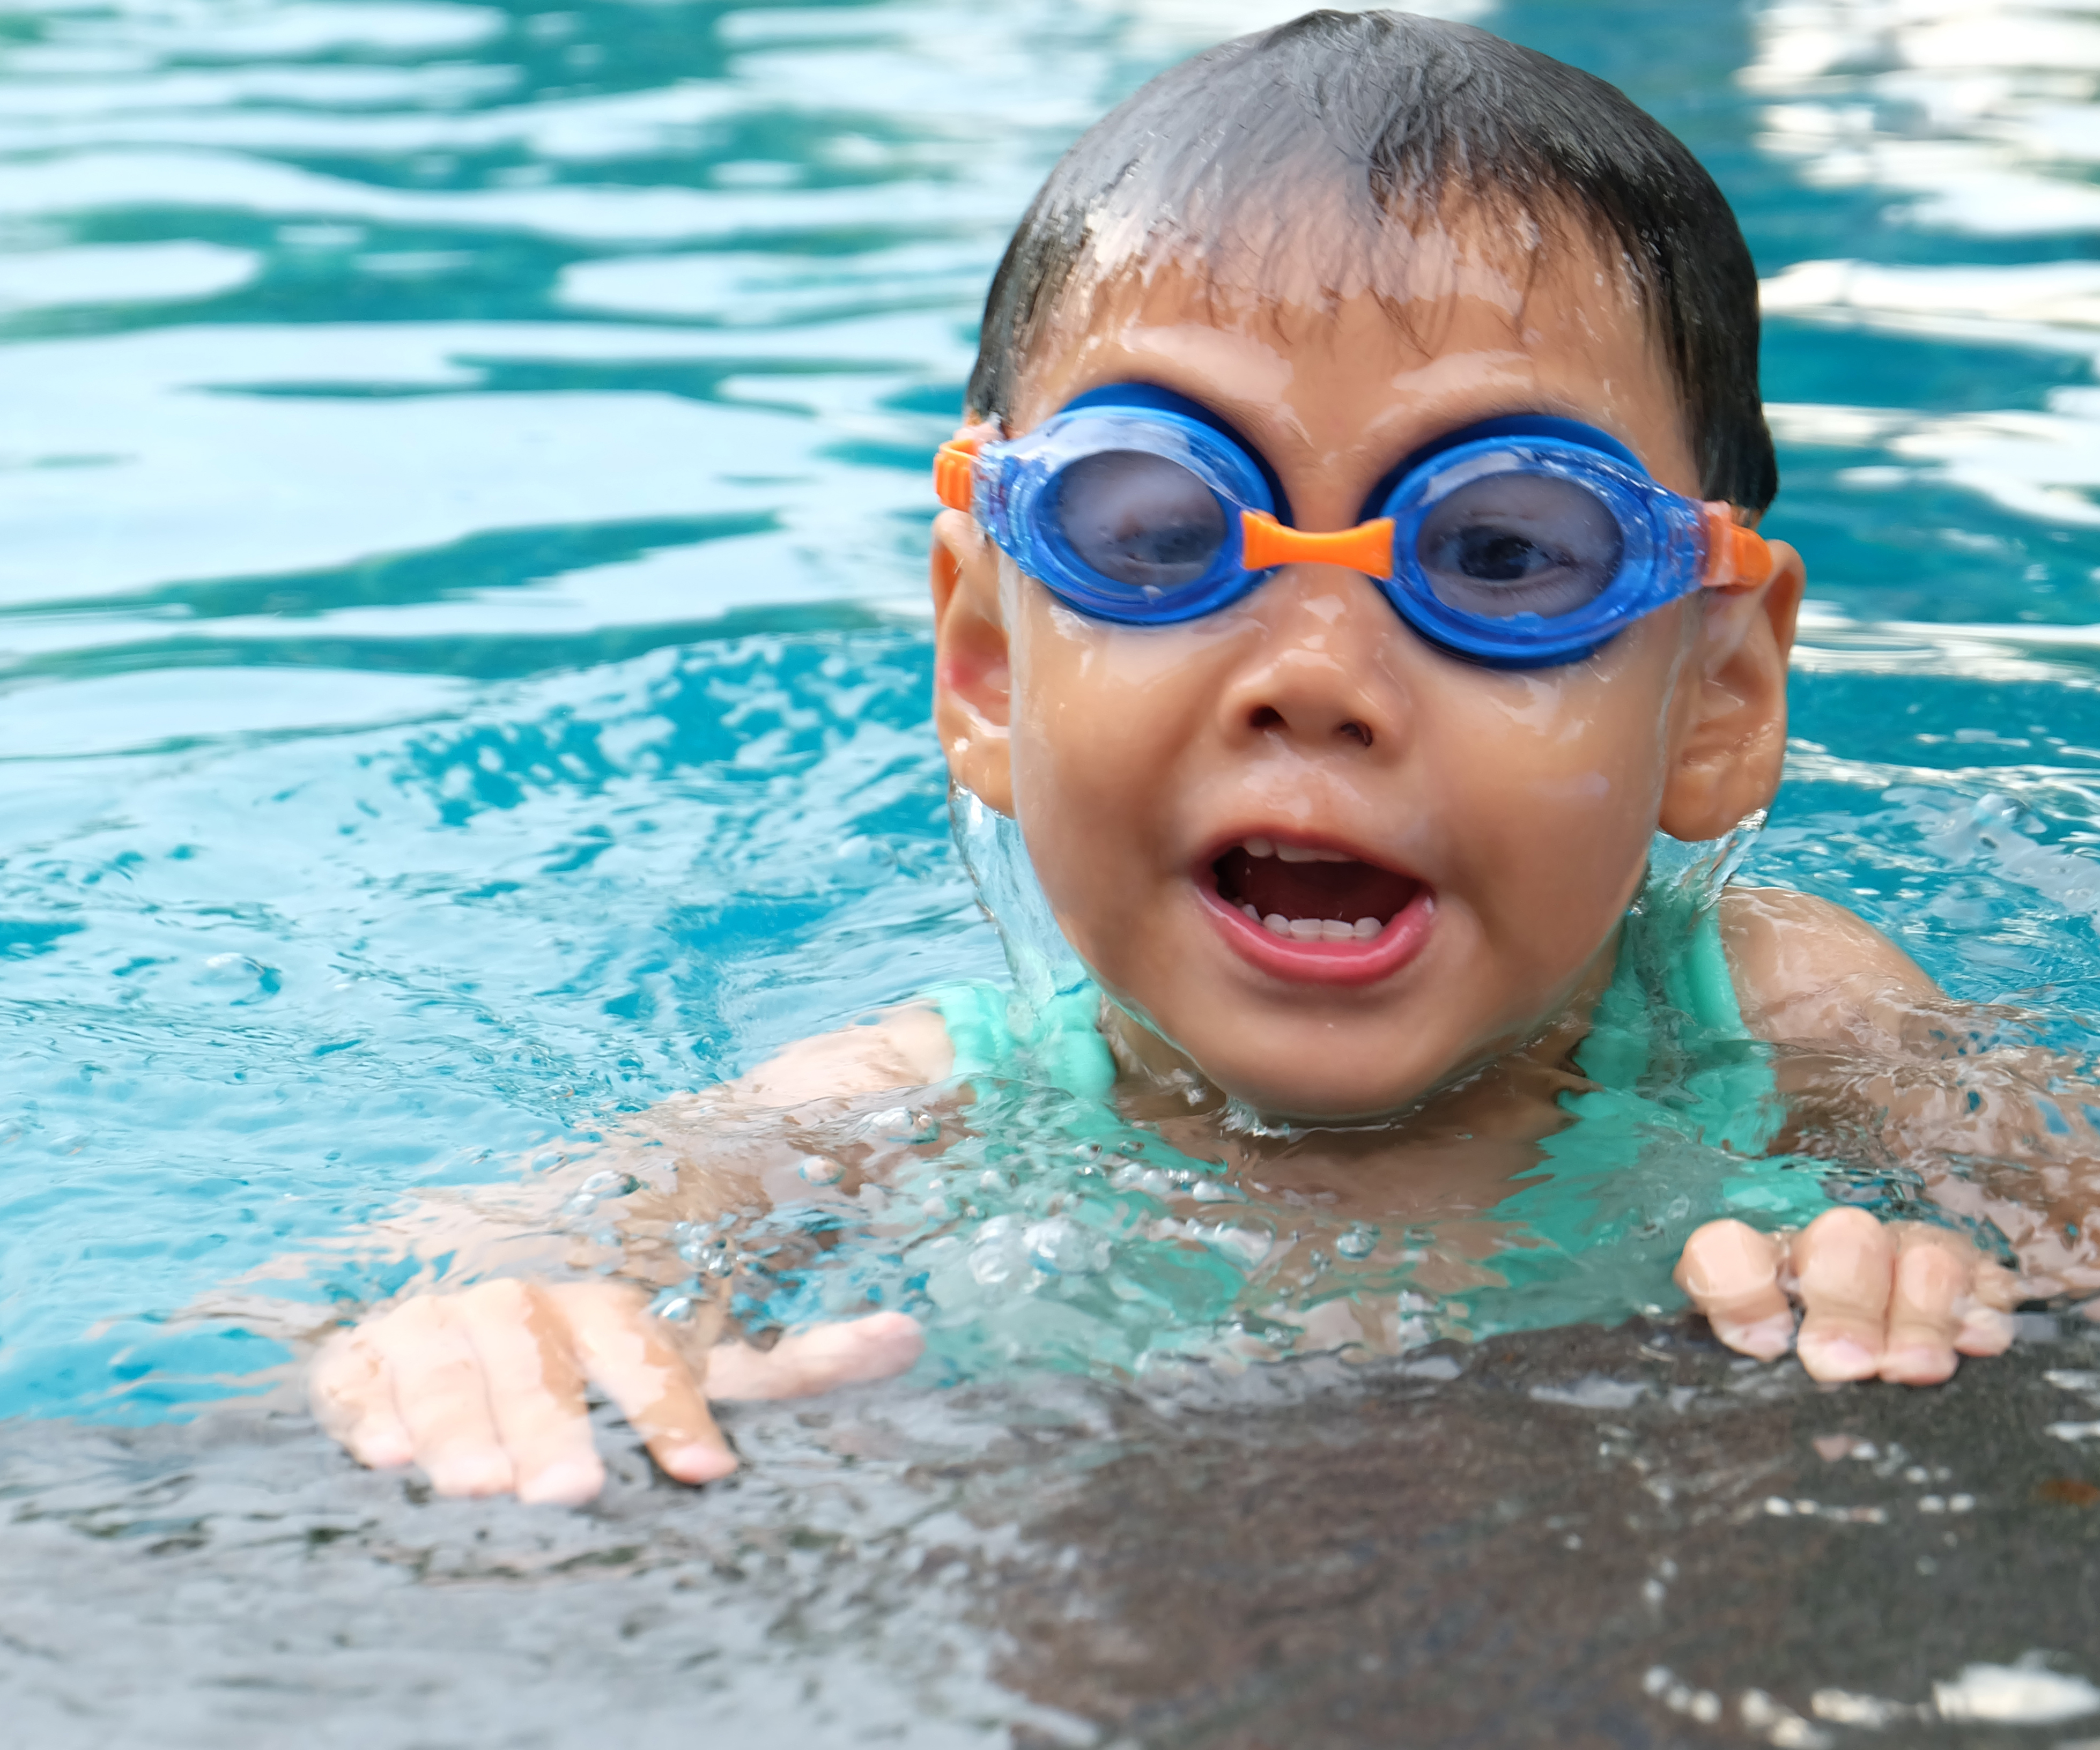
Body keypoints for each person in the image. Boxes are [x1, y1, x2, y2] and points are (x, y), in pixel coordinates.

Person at [310, 9, 2096, 1507]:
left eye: (1500, 551)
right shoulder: (923, 1102)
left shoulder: (1780, 1024)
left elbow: (2062, 1232)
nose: (1314, 683)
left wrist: (1942, 1284)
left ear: (1713, 704)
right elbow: (500, 1251)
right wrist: (496, 1321)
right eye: (1157, 529)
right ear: (991, 661)